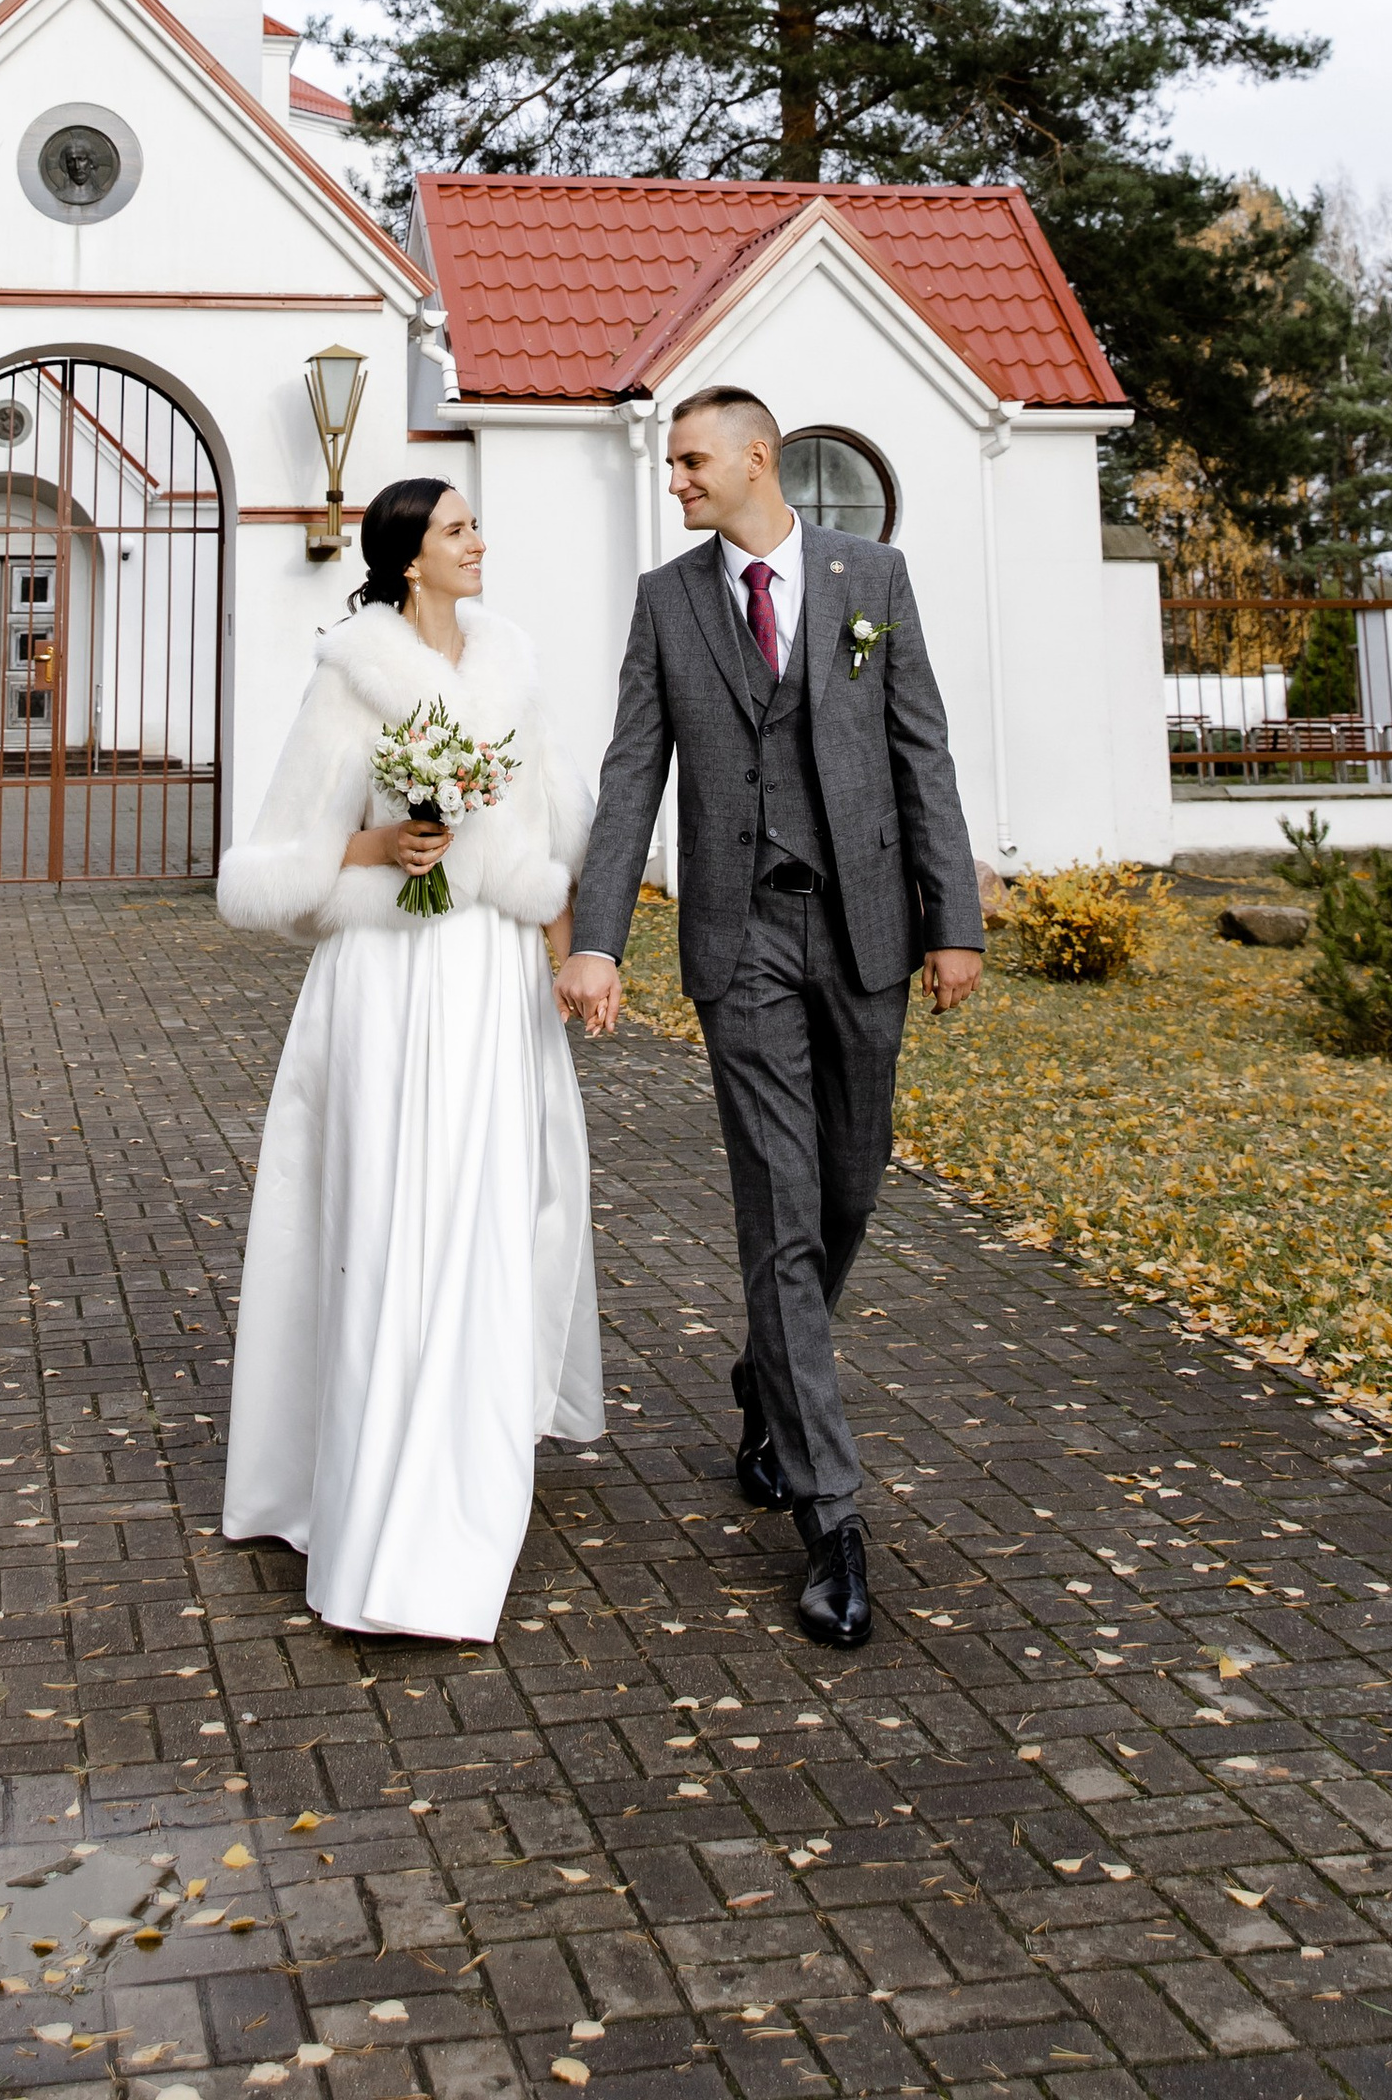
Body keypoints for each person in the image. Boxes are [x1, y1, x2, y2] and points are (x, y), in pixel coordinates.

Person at [557, 386, 983, 1650]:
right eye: (671, 461)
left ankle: (764, 1377)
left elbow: (925, 754)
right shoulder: (666, 599)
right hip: (738, 943)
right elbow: (632, 768)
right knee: (780, 1211)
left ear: (756, 458)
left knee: (849, 1191)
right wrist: (595, 937)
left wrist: (951, 919)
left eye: (690, 459)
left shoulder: (873, 576)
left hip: (864, 933)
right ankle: (831, 1517)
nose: (674, 478)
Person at [216, 477, 604, 1638]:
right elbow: (278, 854)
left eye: (478, 523)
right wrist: (381, 842)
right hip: (386, 978)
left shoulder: (511, 664)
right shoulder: (353, 672)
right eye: (455, 529)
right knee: (387, 1213)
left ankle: (465, 1463)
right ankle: (373, 1486)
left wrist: (571, 954)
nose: (478, 541)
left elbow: (545, 825)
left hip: (488, 976)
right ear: (404, 557)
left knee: (495, 1205)